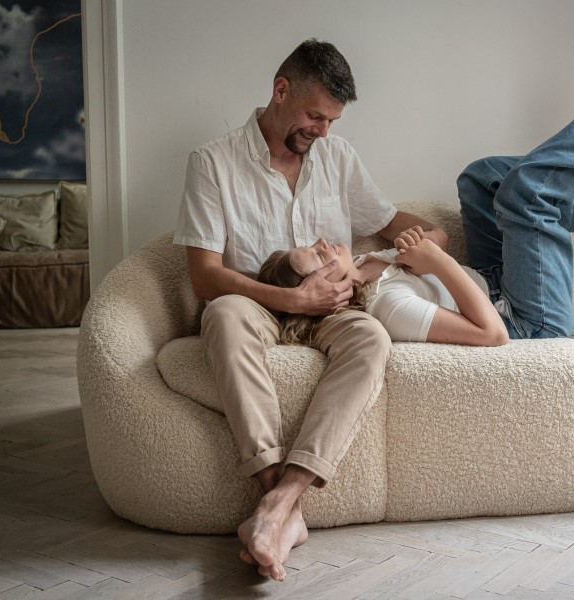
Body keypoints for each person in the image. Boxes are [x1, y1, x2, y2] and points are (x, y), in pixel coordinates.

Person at [173, 39, 447, 581]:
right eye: (315, 116)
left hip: (331, 310)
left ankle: (279, 509)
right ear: (280, 91)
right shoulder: (213, 162)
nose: (323, 131)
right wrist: (292, 298)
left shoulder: (338, 158)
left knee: (371, 338)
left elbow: (409, 230)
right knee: (223, 316)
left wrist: (392, 256)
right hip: (255, 298)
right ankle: (276, 499)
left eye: (332, 120)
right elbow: (204, 277)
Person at [258, 6, 574, 349]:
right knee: (523, 193)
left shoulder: (366, 265)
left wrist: (427, 246)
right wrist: (436, 262)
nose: (319, 243)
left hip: (496, 284)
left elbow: (422, 239)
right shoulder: (386, 307)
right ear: (321, 295)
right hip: (527, 321)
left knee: (478, 178)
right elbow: (492, 333)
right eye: (314, 256)